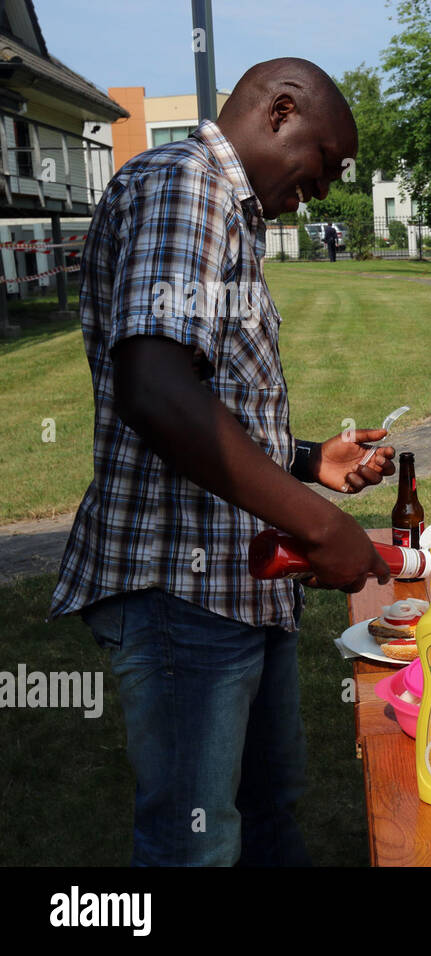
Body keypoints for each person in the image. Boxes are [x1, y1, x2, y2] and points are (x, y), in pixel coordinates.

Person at [48, 58, 394, 866]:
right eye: (321, 169)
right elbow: (156, 388)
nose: (319, 194)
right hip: (182, 592)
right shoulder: (186, 184)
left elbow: (208, 397)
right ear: (279, 111)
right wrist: (321, 524)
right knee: (193, 846)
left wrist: (310, 461)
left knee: (268, 809)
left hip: (237, 586)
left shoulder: (225, 208)